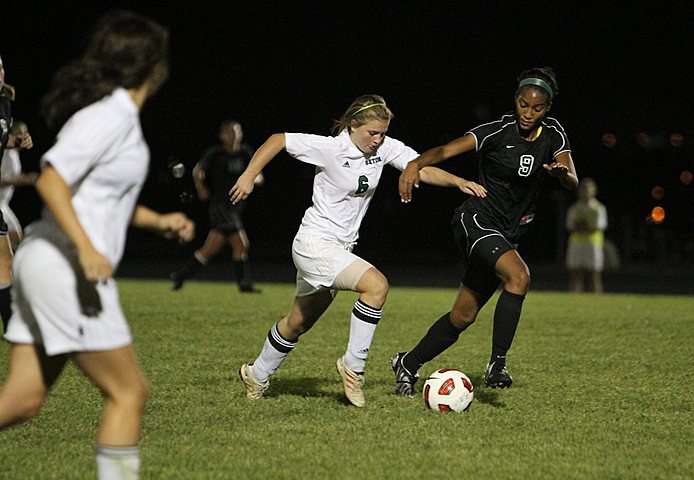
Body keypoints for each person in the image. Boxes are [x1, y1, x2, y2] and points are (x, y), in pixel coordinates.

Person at [0, 11, 194, 480]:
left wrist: (157, 220)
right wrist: (87, 248)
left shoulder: (116, 116)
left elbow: (98, 197)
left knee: (23, 401)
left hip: (47, 261)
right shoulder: (111, 116)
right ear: (154, 66)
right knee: (129, 393)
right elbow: (51, 181)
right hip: (65, 264)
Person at [229, 94, 484, 407]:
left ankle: (257, 373)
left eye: (382, 133)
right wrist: (248, 175)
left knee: (298, 322)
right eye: (372, 133)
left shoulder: (383, 147)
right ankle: (354, 368)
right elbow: (277, 139)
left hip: (339, 248)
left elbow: (418, 167)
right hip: (315, 243)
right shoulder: (332, 148)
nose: (377, 140)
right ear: (353, 125)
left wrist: (458, 181)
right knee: (376, 286)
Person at [391, 67, 578, 396]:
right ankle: (498, 364)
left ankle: (407, 363)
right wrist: (415, 164)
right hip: (476, 221)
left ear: (547, 108)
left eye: (536, 108)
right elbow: (448, 150)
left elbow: (572, 178)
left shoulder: (554, 134)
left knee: (462, 317)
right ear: (516, 100)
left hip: (506, 234)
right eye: (523, 104)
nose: (528, 113)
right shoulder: (498, 131)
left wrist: (562, 174)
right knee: (519, 276)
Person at [171, 119, 263, 292]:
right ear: (222, 135)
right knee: (241, 244)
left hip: (235, 208)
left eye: (237, 131)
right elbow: (198, 171)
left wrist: (255, 179)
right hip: (221, 206)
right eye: (230, 131)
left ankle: (180, 276)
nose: (234, 134)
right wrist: (201, 188)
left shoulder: (245, 153)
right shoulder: (215, 153)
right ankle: (244, 285)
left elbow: (257, 173)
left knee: (208, 250)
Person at [0, 56, 33, 333]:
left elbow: (2, 139)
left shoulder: (4, 102)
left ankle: (12, 323)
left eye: (0, 67)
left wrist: (17, 142)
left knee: (6, 257)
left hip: (1, 206)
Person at [1, 120, 38, 249]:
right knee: (14, 243)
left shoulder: (14, 154)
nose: (24, 136)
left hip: (3, 205)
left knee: (16, 241)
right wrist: (22, 180)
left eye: (26, 132)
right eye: (20, 133)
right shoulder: (4, 153)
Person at [565, 177, 607, 293]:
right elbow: (570, 226)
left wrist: (582, 226)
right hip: (576, 244)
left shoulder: (599, 209)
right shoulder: (574, 208)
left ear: (594, 190)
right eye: (583, 189)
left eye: (588, 189)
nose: (586, 191)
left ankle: (597, 300)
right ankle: (574, 299)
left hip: (593, 244)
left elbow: (598, 227)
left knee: (594, 274)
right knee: (575, 274)